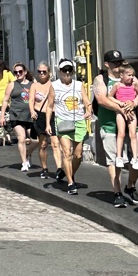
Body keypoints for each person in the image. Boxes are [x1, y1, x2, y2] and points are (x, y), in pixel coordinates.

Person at [93, 49, 138, 209]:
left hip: (131, 123)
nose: (118, 65)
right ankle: (117, 192)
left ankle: (130, 186)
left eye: (119, 62)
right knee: (114, 161)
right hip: (110, 125)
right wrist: (120, 108)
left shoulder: (130, 77)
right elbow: (102, 99)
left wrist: (134, 103)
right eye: (114, 63)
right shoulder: (101, 79)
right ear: (106, 64)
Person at [50, 59, 92, 196]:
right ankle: (70, 182)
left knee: (78, 154)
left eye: (70, 70)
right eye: (64, 71)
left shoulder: (79, 85)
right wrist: (47, 124)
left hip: (78, 120)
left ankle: (68, 172)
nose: (67, 73)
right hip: (62, 121)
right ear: (60, 72)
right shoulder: (54, 85)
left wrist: (88, 109)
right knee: (66, 153)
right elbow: (50, 106)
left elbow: (86, 101)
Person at [0, 63, 37, 172]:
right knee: (21, 138)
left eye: (20, 71)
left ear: (25, 72)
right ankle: (24, 163)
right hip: (16, 115)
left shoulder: (32, 84)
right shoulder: (12, 85)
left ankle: (27, 154)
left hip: (30, 115)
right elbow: (6, 100)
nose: (18, 74)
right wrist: (2, 116)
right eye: (16, 72)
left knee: (35, 140)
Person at [28, 62, 62, 179]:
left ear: (49, 73)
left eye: (44, 72)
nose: (41, 74)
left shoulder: (53, 85)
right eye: (39, 72)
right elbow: (31, 100)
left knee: (55, 144)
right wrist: (32, 111)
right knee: (42, 144)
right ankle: (45, 168)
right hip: (39, 116)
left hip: (52, 115)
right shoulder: (34, 86)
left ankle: (59, 169)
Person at [109, 64, 138, 169]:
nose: (131, 77)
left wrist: (134, 101)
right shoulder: (117, 85)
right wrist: (119, 103)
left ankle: (135, 158)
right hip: (120, 111)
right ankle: (119, 157)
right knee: (121, 133)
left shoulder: (134, 84)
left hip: (131, 111)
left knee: (133, 134)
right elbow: (110, 96)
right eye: (129, 75)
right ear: (121, 75)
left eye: (132, 75)